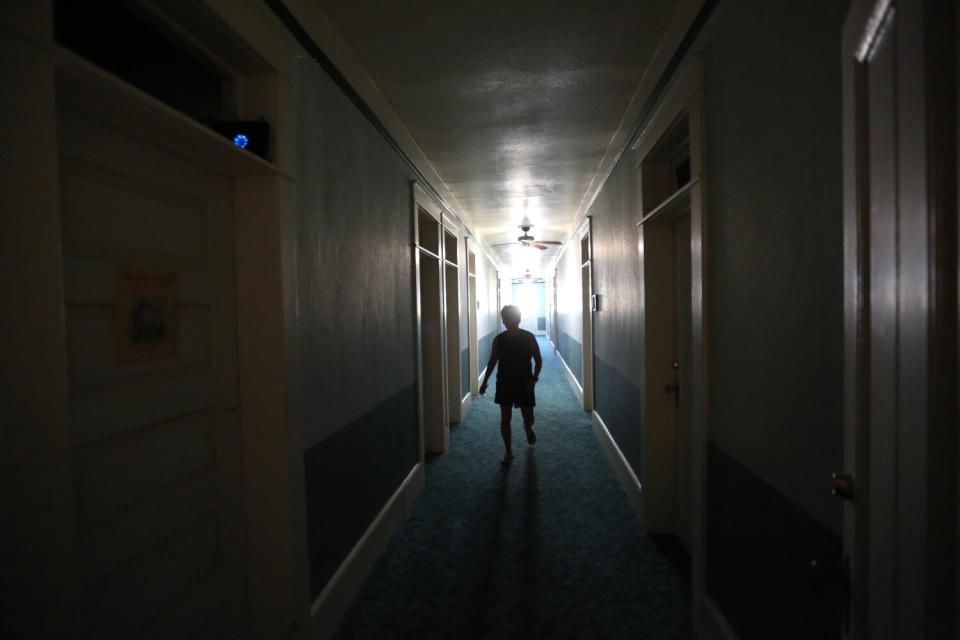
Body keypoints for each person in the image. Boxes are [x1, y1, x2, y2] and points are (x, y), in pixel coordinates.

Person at [479, 305, 543, 464]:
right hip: (505, 382)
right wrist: (484, 382)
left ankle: (528, 428)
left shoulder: (529, 337)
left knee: (528, 417)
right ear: (504, 320)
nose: (507, 321)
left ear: (517, 319)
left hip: (525, 382)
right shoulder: (499, 340)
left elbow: (538, 360)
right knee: (505, 418)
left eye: (510, 318)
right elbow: (492, 361)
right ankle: (508, 451)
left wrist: (534, 379)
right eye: (505, 318)